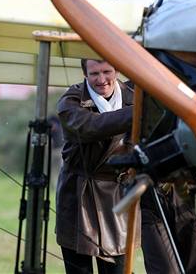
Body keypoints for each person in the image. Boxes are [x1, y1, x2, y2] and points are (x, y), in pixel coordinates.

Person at [55, 58, 135, 274]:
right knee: (78, 269)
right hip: (78, 194)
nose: (102, 80)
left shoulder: (134, 96)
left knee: (118, 269)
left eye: (107, 72)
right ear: (85, 75)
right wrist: (139, 112)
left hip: (118, 196)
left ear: (117, 70)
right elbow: (92, 126)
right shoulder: (71, 100)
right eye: (94, 74)